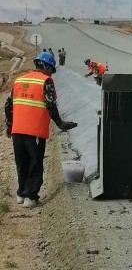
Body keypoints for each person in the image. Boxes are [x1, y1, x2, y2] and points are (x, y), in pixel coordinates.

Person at [4, 52, 77, 208]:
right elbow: (50, 104)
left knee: (21, 162)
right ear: (45, 66)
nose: (51, 73)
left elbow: (8, 105)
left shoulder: (19, 80)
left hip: (17, 130)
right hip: (34, 130)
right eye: (50, 70)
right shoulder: (46, 81)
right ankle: (30, 197)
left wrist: (10, 125)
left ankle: (21, 194)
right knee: (35, 163)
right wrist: (60, 123)